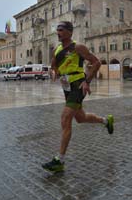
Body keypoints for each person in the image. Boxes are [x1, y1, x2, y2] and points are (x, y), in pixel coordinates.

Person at [42, 21, 114, 173]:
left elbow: (96, 62)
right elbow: (53, 66)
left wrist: (87, 81)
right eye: (57, 30)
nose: (58, 32)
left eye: (61, 30)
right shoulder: (57, 50)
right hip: (66, 87)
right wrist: (54, 72)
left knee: (65, 117)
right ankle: (106, 121)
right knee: (80, 118)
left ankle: (59, 160)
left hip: (78, 85)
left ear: (69, 32)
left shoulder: (78, 47)